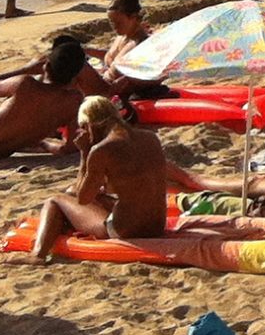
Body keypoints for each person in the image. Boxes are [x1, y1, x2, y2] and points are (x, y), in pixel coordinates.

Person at [29, 96, 186, 259]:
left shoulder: (102, 149)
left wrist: (85, 153)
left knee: (55, 200)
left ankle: (37, 255)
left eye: (83, 128)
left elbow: (83, 198)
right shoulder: (150, 138)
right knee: (81, 194)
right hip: (156, 226)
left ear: (90, 125)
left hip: (125, 230)